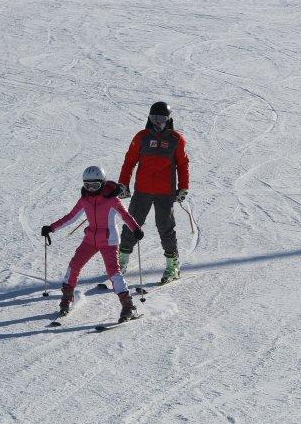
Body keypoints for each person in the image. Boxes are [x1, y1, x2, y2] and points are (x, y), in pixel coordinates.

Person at [41, 166, 144, 322]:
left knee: (113, 272)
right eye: (87, 185)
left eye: (94, 186)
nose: (90, 189)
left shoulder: (112, 200)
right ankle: (67, 298)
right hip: (90, 239)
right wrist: (51, 227)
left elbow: (125, 216)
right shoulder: (85, 199)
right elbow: (71, 217)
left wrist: (135, 228)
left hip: (109, 240)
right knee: (74, 265)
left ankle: (128, 306)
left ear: (102, 183)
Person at [117, 101, 190, 284]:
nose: (158, 122)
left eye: (162, 118)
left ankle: (173, 265)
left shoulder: (176, 139)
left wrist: (183, 187)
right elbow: (129, 161)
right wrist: (123, 184)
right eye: (154, 118)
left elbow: (183, 164)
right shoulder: (141, 137)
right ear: (149, 118)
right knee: (132, 225)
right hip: (142, 191)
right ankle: (121, 262)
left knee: (165, 228)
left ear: (168, 119)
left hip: (165, 193)